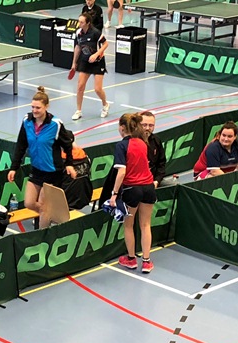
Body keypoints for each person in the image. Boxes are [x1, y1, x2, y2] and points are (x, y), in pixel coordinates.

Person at [8, 86, 77, 228]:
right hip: (37, 170)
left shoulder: (55, 124)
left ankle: (42, 234)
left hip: (53, 172)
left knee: (44, 206)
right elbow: (21, 145)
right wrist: (14, 167)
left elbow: (67, 144)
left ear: (46, 107)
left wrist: (69, 164)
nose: (34, 110)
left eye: (38, 108)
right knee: (29, 203)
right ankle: (50, 214)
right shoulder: (27, 121)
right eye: (33, 107)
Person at [109, 113, 156, 273]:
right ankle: (146, 261)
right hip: (148, 187)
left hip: (132, 189)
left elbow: (121, 172)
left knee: (128, 225)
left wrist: (114, 194)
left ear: (122, 128)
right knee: (145, 225)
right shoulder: (142, 143)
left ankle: (131, 259)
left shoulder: (121, 146)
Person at [71, 13, 110, 121]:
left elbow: (106, 44)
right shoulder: (78, 33)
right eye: (79, 21)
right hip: (85, 61)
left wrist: (96, 54)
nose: (79, 24)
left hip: (98, 62)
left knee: (97, 89)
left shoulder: (95, 32)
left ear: (88, 23)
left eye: (81, 22)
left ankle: (105, 105)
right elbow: (77, 47)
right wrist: (74, 63)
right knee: (80, 87)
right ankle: (78, 111)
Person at [139, 111, 169, 187]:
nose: (147, 128)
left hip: (154, 180)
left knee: (175, 186)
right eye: (144, 125)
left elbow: (161, 163)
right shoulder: (132, 142)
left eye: (151, 125)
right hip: (138, 183)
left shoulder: (156, 140)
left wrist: (157, 180)